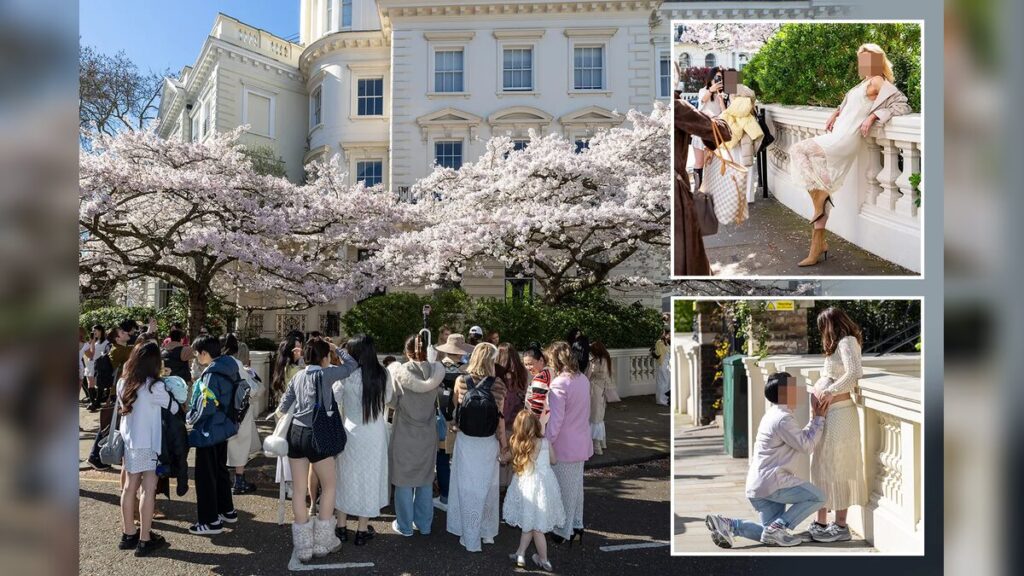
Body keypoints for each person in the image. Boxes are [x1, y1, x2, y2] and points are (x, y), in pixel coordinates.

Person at [789, 43, 912, 267]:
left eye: (867, 60)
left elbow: (902, 104)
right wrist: (835, 113)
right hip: (839, 131)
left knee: (798, 150)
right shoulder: (864, 82)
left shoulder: (878, 81)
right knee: (816, 182)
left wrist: (873, 116)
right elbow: (851, 105)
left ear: (877, 61)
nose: (862, 64)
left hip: (846, 138)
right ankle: (818, 245)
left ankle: (822, 196)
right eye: (861, 59)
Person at [705, 372, 829, 548]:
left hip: (759, 486)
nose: (799, 391)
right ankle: (779, 526)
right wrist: (819, 418)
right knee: (818, 497)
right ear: (785, 393)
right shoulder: (783, 419)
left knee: (768, 534)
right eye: (794, 388)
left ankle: (729, 524)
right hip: (773, 484)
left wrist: (815, 418)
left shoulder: (774, 414)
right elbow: (807, 446)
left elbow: (801, 439)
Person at [276, 339, 359, 562]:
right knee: (330, 486)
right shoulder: (326, 374)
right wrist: (336, 349)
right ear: (324, 357)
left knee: (300, 489)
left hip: (296, 435)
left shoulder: (298, 376)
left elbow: (283, 406)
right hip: (319, 436)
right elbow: (352, 365)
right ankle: (323, 542)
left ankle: (303, 546)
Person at [808, 307, 867, 543]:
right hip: (828, 415)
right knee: (821, 465)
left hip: (841, 414)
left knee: (840, 466)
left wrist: (829, 392)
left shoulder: (847, 341)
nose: (823, 331)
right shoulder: (836, 345)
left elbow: (854, 373)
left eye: (824, 326)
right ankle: (821, 522)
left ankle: (841, 525)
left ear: (832, 324)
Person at [447, 343, 508, 552]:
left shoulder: (461, 381)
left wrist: (455, 427)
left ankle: (468, 535)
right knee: (487, 487)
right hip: (488, 443)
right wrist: (504, 446)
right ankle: (486, 532)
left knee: (465, 488)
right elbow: (500, 420)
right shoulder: (499, 384)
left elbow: (456, 412)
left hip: (466, 442)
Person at [334, 334, 392, 546]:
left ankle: (340, 526)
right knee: (369, 478)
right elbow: (387, 399)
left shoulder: (346, 375)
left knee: (344, 477)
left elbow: (334, 398)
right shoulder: (383, 374)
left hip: (350, 432)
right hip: (374, 433)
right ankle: (361, 529)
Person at [116, 342, 173, 556]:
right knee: (148, 490)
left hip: (130, 443)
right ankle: (144, 539)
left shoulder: (123, 383)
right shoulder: (154, 386)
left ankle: (128, 533)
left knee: (129, 488)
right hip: (150, 444)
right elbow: (174, 406)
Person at [387, 334, 446, 537]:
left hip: (405, 432)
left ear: (407, 351)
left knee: (403, 480)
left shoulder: (400, 372)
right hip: (427, 432)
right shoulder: (434, 371)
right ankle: (424, 524)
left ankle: (405, 525)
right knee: (425, 479)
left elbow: (392, 401)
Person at [185, 335, 241, 536]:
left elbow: (205, 405)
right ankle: (227, 510)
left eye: (196, 354)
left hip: (208, 429)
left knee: (205, 477)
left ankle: (210, 521)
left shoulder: (211, 375)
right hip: (224, 427)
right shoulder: (230, 368)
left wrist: (190, 419)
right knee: (220, 470)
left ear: (205, 353)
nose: (196, 358)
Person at [673, 89, 732, 276]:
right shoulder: (677, 106)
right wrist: (711, 116)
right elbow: (721, 132)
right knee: (687, 255)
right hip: (676, 193)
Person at [503, 410, 565, 571]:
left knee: (534, 526)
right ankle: (521, 554)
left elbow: (505, 458)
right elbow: (554, 460)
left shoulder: (519, 444)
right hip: (544, 488)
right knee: (532, 524)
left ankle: (542, 559)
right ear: (536, 425)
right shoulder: (545, 443)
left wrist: (498, 458)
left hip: (527, 488)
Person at [544, 341, 593, 546]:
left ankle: (562, 531)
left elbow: (555, 421)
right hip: (581, 441)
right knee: (576, 489)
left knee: (563, 489)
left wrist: (546, 442)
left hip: (563, 445)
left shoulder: (558, 384)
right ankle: (576, 525)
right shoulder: (583, 379)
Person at [432, 333, 473, 511]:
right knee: (460, 459)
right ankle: (460, 496)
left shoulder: (437, 368)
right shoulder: (468, 370)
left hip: (441, 417)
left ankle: (446, 496)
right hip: (463, 419)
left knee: (442, 457)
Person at [221, 334, 261, 495]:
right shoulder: (237, 365)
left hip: (221, 410)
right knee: (240, 445)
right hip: (239, 410)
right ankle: (239, 480)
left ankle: (224, 479)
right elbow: (251, 389)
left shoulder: (215, 362)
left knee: (225, 445)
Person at [496, 343, 529, 486]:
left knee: (501, 458)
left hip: (501, 423)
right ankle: (512, 490)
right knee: (515, 460)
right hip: (518, 423)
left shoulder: (497, 375)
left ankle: (501, 490)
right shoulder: (523, 373)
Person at [691, 66, 728, 190]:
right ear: (711, 78)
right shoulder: (703, 90)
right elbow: (701, 103)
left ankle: (708, 190)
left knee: (710, 164)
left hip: (715, 131)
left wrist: (721, 99)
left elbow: (725, 113)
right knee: (699, 162)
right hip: (702, 129)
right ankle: (697, 190)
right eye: (716, 77)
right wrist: (711, 90)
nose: (719, 80)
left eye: (721, 78)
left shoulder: (723, 93)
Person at [586, 341, 614, 455]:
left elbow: (589, 375)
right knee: (598, 417)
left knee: (594, 418)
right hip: (600, 390)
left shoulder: (597, 362)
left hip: (595, 391)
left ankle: (596, 446)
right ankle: (601, 443)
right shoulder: (606, 360)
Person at [522, 343, 553, 427]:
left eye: (530, 364)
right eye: (526, 364)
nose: (528, 368)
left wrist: (532, 426)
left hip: (538, 423)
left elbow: (537, 407)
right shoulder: (550, 371)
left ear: (541, 360)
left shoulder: (540, 378)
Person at [85, 324, 107, 409]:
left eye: (95, 331)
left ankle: (97, 401)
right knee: (90, 383)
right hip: (91, 364)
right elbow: (90, 354)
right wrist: (92, 342)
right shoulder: (93, 341)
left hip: (100, 365)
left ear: (100, 330)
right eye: (93, 331)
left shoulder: (106, 342)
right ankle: (92, 402)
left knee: (99, 384)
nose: (94, 333)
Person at [654, 329, 671, 406]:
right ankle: (661, 400)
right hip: (662, 364)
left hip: (667, 364)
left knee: (666, 382)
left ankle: (664, 400)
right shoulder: (659, 342)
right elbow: (660, 353)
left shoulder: (667, 343)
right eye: (669, 334)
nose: (670, 336)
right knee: (662, 382)